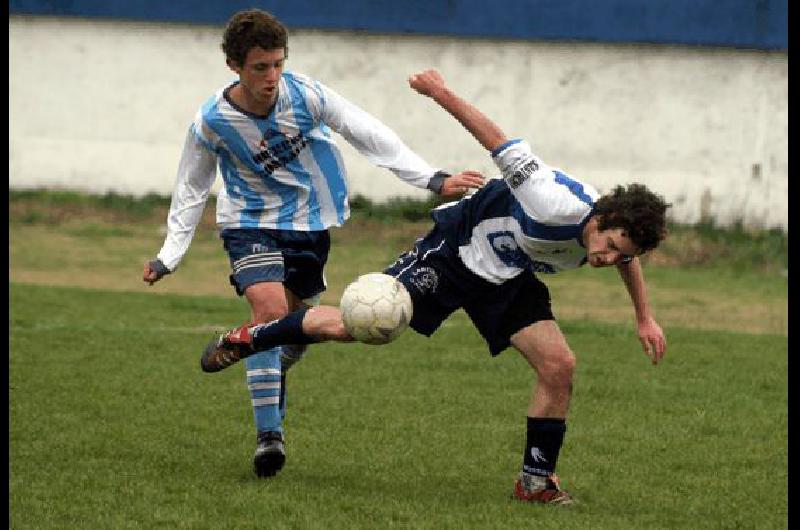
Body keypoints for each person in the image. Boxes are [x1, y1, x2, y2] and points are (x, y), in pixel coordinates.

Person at [198, 68, 669, 504]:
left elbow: (630, 259)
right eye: (609, 245)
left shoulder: (616, 241)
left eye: (622, 255)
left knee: (559, 364)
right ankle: (249, 338)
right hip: (456, 251)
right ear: (602, 217)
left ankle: (535, 482)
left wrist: (644, 316)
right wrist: (438, 91)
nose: (608, 259)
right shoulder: (549, 200)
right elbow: (497, 140)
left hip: (507, 275)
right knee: (354, 326)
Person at [141, 12, 484, 479]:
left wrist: (432, 178)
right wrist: (170, 255)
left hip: (311, 226)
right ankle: (269, 438)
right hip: (249, 223)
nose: (272, 77)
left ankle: (242, 348)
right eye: (260, 67)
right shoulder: (212, 122)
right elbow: (191, 188)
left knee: (290, 340)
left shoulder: (306, 95)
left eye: (278, 64)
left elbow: (367, 132)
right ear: (234, 65)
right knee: (270, 314)